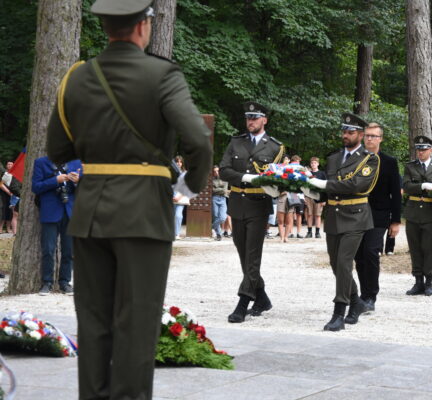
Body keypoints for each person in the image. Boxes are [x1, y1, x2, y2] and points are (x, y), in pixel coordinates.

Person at [46, 1, 213, 398]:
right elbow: (198, 144)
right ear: (143, 26)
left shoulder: (76, 78)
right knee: (135, 323)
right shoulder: (162, 75)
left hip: (89, 214)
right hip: (144, 212)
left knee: (93, 320)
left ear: (106, 28)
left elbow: (56, 149)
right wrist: (187, 190)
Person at [303, 112, 380, 331]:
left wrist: (321, 185)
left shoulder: (369, 159)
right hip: (334, 216)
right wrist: (306, 187)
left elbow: (355, 185)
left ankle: (339, 311)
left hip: (356, 216)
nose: (345, 135)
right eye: (344, 131)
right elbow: (328, 189)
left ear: (361, 134)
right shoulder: (335, 158)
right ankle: (356, 303)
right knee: (336, 265)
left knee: (344, 263)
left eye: (350, 132)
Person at [219, 101, 285, 322]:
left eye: (255, 118)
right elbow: (225, 170)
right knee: (243, 254)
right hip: (237, 202)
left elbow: (278, 181)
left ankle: (243, 302)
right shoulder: (235, 142)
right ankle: (262, 297)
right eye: (248, 117)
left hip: (258, 204)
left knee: (253, 255)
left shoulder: (275, 147)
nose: (251, 121)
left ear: (264, 120)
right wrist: (245, 178)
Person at [354, 122, 401, 310]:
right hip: (356, 213)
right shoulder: (356, 159)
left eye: (374, 136)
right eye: (367, 135)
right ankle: (363, 292)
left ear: (380, 139)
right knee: (358, 255)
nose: (370, 139)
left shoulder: (388, 161)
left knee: (371, 252)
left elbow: (395, 193)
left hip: (378, 215)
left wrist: (395, 220)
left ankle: (371, 295)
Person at [31, 156, 82, 295]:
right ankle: (46, 283)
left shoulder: (76, 162)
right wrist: (55, 181)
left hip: (70, 211)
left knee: (69, 251)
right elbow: (35, 187)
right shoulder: (41, 162)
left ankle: (65, 282)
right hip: (50, 210)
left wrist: (78, 182)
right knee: (48, 249)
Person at [403, 136, 432, 296]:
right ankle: (418, 281)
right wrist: (422, 186)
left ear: (430, 150)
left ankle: (429, 281)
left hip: (430, 211)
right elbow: (407, 186)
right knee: (414, 248)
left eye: (423, 149)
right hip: (413, 211)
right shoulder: (410, 167)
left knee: (429, 248)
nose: (420, 152)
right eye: (418, 149)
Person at [304, 157, 326, 238]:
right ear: (310, 164)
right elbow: (304, 185)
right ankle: (309, 232)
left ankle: (317, 232)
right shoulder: (307, 173)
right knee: (309, 214)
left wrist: (324, 199)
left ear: (318, 164)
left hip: (318, 196)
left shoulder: (322, 174)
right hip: (309, 196)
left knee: (318, 215)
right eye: (312, 163)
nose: (313, 164)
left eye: (315, 163)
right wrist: (304, 197)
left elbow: (324, 186)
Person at [173, 155, 188, 240]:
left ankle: (177, 234)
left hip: (180, 197)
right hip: (171, 196)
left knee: (178, 215)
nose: (179, 163)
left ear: (182, 163)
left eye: (180, 162)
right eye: (177, 161)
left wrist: (179, 197)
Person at [212, 165, 228, 240]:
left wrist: (217, 189)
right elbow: (212, 190)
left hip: (223, 198)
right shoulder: (211, 180)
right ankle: (219, 235)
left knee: (223, 217)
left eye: (217, 171)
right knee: (215, 216)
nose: (216, 172)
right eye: (215, 171)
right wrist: (221, 189)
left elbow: (225, 190)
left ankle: (211, 227)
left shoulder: (225, 179)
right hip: (214, 198)